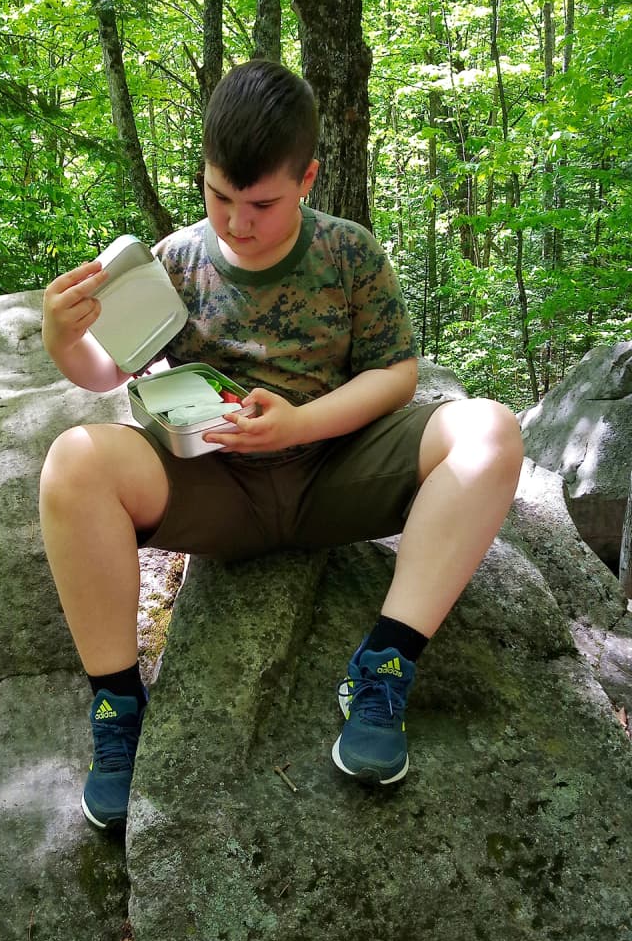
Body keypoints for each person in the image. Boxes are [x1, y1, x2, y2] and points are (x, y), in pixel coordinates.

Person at [39, 60, 524, 829]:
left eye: (261, 203)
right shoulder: (177, 260)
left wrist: (300, 422)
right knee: (72, 463)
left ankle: (386, 663)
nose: (236, 222)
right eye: (218, 196)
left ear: (308, 178)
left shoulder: (349, 253)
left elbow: (396, 374)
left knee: (491, 429)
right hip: (216, 489)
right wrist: (65, 339)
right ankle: (118, 707)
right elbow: (110, 369)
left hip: (337, 472)